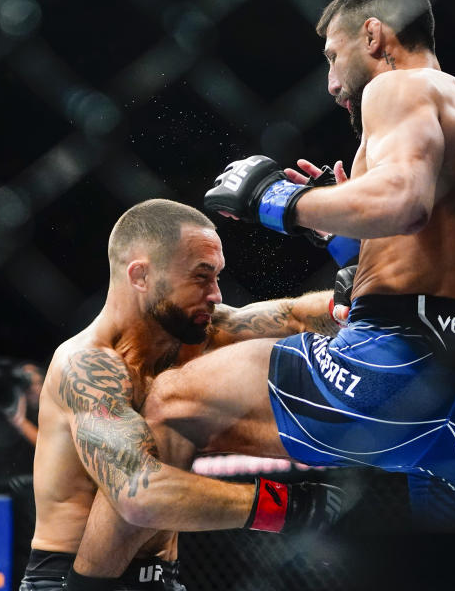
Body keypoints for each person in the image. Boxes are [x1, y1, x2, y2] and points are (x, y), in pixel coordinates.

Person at [73, 0, 455, 581]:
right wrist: (342, 237)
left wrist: (276, 201)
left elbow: (403, 200)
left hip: (391, 367)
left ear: (373, 37)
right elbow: (430, 252)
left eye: (333, 56)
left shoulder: (397, 89)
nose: (332, 82)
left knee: (172, 402)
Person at [20, 199, 344, 591]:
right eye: (201, 277)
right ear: (141, 276)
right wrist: (285, 507)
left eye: (217, 276)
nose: (216, 294)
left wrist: (358, 301)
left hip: (162, 579)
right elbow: (139, 494)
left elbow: (293, 315)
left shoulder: (194, 334)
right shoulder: (86, 367)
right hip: (72, 581)